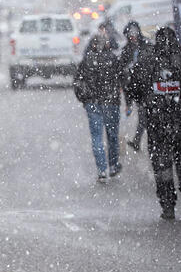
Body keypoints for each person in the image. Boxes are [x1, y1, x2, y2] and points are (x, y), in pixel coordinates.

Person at [125, 26, 181, 220]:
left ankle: (167, 206)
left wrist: (146, 102)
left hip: (157, 124)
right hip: (175, 122)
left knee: (162, 166)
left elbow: (132, 88)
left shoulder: (147, 61)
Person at [73, 35, 124, 182]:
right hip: (111, 102)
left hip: (93, 103)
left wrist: (84, 98)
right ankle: (113, 165)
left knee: (97, 137)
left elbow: (77, 82)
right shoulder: (113, 60)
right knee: (112, 135)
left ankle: (102, 170)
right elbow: (123, 78)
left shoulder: (87, 61)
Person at [119, 21, 151, 151]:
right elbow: (123, 74)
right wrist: (128, 101)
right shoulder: (127, 50)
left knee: (146, 117)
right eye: (130, 34)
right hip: (136, 89)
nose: (132, 36)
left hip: (146, 87)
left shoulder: (146, 46)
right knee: (144, 116)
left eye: (134, 33)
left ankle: (140, 141)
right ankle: (139, 141)